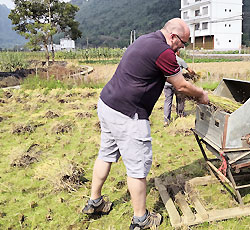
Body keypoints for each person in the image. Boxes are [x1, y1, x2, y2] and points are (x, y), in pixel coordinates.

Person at [81, 18, 209, 230]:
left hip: (108, 104)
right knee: (137, 167)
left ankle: (95, 202)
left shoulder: (145, 40)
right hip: (128, 114)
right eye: (183, 43)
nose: (183, 47)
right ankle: (141, 220)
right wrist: (202, 95)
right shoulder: (163, 51)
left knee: (106, 154)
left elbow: (163, 74)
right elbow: (182, 86)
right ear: (173, 37)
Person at [163, 50, 196, 126]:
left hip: (167, 83)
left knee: (167, 101)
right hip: (177, 84)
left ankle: (166, 120)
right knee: (180, 99)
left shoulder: (165, 60)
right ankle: (180, 115)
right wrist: (194, 74)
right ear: (177, 52)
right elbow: (190, 70)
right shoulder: (180, 60)